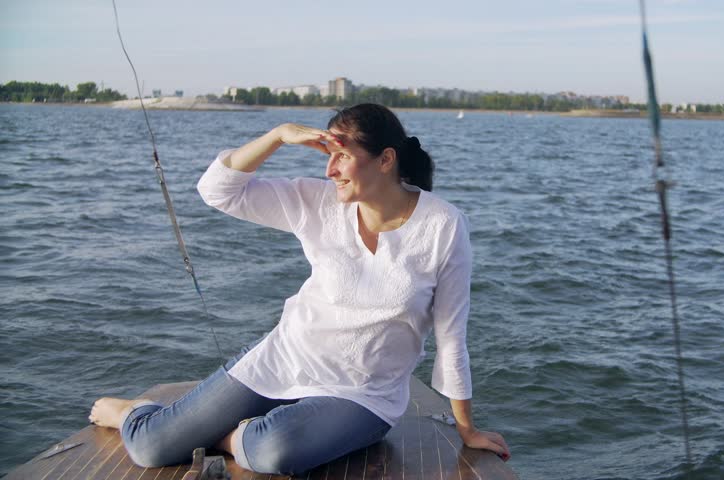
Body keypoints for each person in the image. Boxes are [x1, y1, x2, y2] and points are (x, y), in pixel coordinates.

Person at [88, 103, 510, 475]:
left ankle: (231, 435)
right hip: (284, 359)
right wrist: (276, 136)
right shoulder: (318, 202)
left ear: (385, 160)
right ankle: (133, 412)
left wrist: (467, 428)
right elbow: (216, 191)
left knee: (274, 452)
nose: (330, 170)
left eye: (342, 156)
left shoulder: (443, 226)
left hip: (363, 394)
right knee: (150, 447)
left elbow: (451, 337)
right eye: (329, 155)